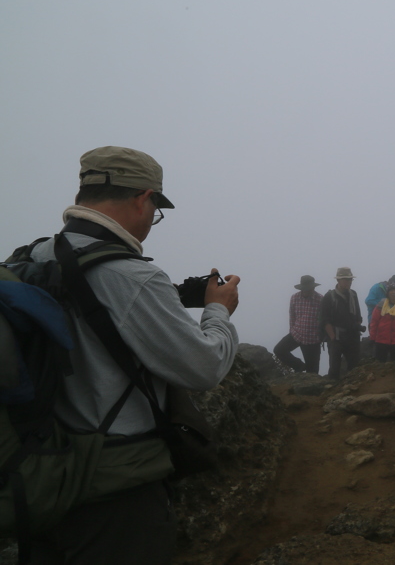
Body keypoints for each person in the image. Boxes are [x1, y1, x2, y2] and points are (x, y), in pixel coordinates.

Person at [27, 146, 239, 564]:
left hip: (45, 478)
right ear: (143, 198)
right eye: (156, 209)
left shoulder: (34, 257)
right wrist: (218, 309)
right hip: (117, 491)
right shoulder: (132, 275)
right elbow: (205, 366)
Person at [273, 276, 323, 374]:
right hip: (297, 334)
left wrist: (322, 336)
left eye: (311, 288)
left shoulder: (320, 299)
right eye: (306, 288)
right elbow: (292, 316)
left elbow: (323, 319)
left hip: (313, 339)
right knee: (279, 350)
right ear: (302, 288)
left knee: (312, 371)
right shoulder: (294, 298)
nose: (309, 290)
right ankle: (299, 365)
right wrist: (292, 330)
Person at [320, 267, 363, 378]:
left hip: (352, 336)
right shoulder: (329, 297)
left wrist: (357, 327)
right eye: (346, 279)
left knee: (355, 367)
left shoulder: (353, 294)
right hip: (336, 338)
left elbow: (358, 315)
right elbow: (325, 319)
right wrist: (332, 337)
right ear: (338, 280)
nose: (349, 282)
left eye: (350, 279)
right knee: (334, 369)